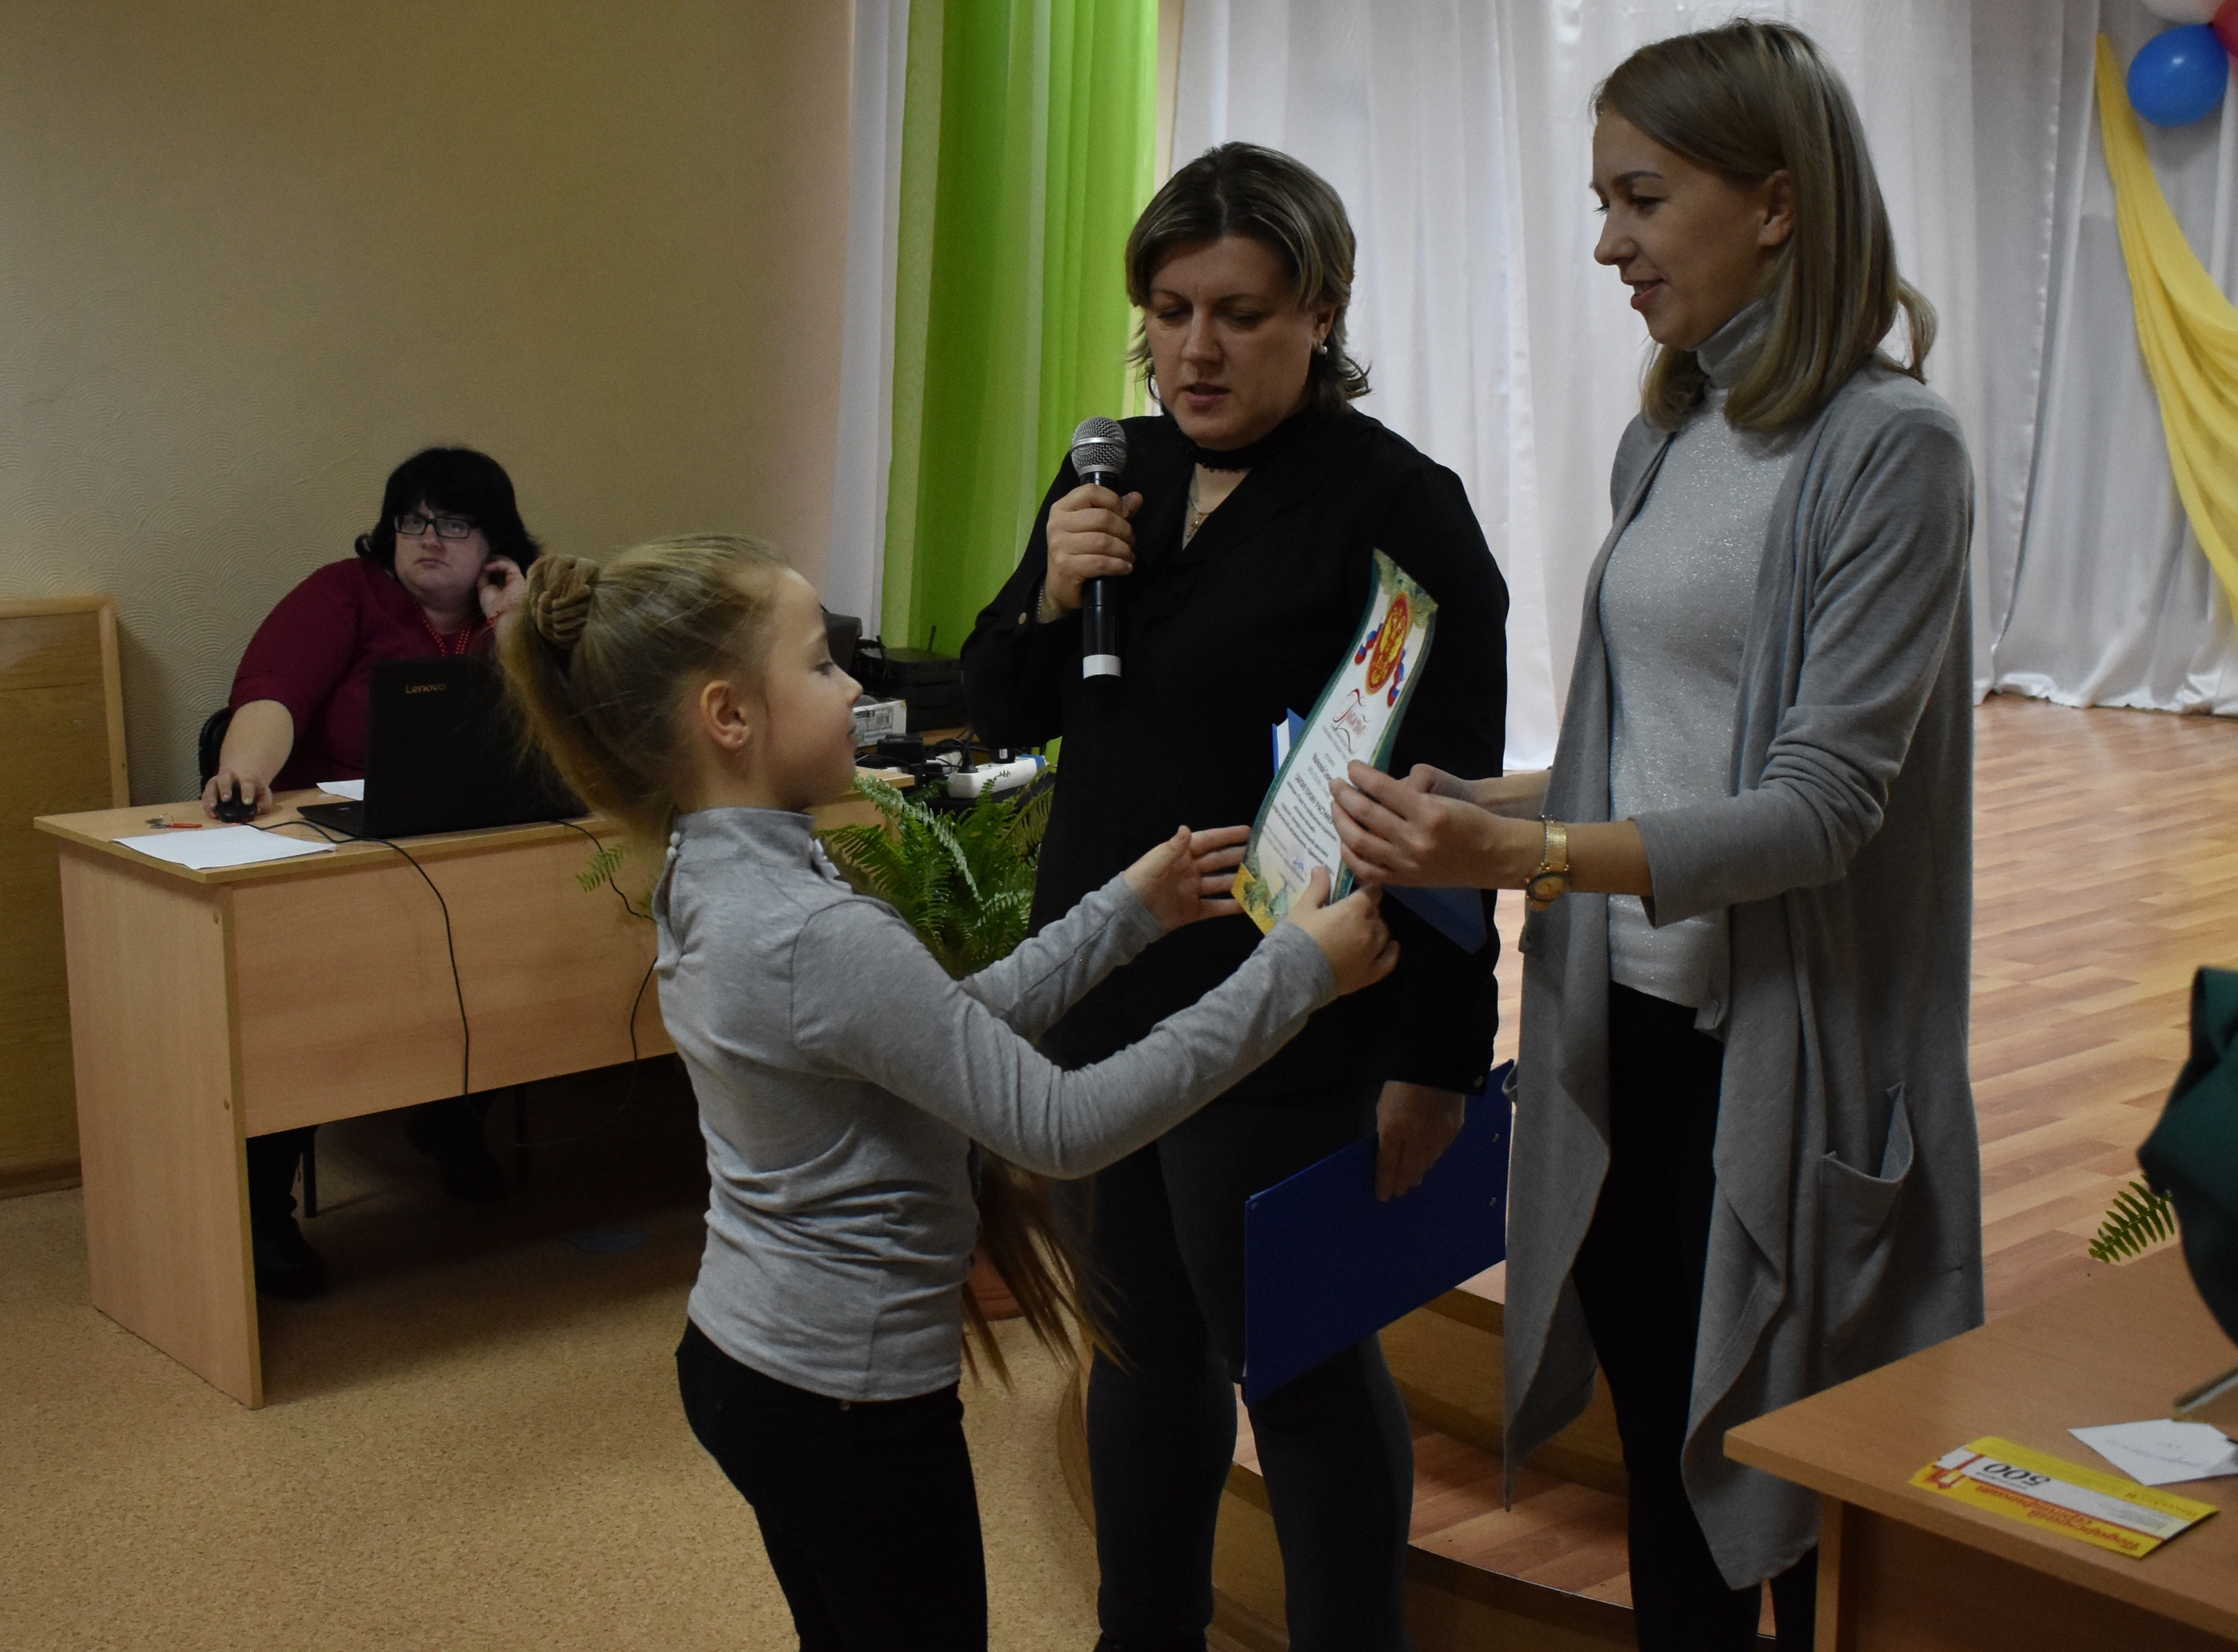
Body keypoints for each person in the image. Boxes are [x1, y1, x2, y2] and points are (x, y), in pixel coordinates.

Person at [1330, 22, 1981, 1651]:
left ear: (1777, 203)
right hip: (1618, 1033)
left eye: (1642, 198)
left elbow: (1821, 809)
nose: (1608, 244)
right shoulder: (1668, 432)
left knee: (1799, 1512)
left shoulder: (1889, 450)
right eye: (1602, 202)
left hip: (1781, 1062)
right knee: (1668, 1494)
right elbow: (1661, 753)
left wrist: (1530, 861)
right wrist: (1495, 807)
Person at [497, 538, 1398, 1652]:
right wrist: (1296, 972)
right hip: (847, 1408)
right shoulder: (810, 932)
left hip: (749, 1362)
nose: (854, 687)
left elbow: (935, 1029)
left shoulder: (714, 869)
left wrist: (1124, 912)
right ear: (728, 716)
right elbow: (1062, 1124)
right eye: (820, 664)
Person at [962, 143, 1508, 1652]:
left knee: (1304, 1371)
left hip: (1290, 1010)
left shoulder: (1399, 508)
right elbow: (1004, 706)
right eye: (1170, 311)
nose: (1195, 349)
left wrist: (1437, 1057)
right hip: (1108, 989)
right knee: (1141, 1355)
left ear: (1321, 314)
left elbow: (1450, 817)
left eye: (1242, 314)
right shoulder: (1111, 476)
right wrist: (1049, 591)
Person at [213, 446, 541, 1299]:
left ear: (495, 541)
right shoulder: (343, 593)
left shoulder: (517, 609)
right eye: (413, 519)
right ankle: (262, 1207)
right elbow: (272, 693)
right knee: (305, 1002)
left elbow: (559, 723)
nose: (428, 537)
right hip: (339, 859)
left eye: (454, 523)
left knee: (533, 948)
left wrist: (513, 622)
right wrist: (243, 769)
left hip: (473, 848)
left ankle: (452, 1114)